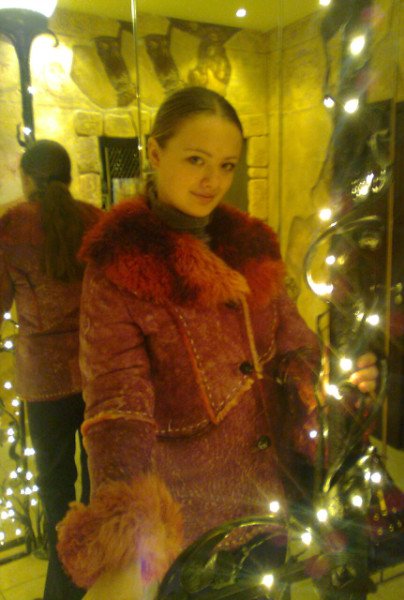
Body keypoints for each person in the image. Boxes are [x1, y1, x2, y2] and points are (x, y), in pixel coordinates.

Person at [56, 87, 378, 600]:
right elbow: (118, 406)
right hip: (190, 526)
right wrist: (127, 531)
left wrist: (331, 376)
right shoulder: (120, 267)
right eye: (196, 160)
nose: (213, 180)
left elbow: (292, 341)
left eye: (227, 165)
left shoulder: (251, 244)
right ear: (155, 152)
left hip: (269, 504)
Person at [0, 140, 102, 600]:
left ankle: (64, 590)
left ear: (27, 178)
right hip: (98, 368)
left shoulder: (10, 228)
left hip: (43, 380)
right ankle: (95, 580)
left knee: (56, 491)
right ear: (68, 176)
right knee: (98, 483)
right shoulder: (96, 220)